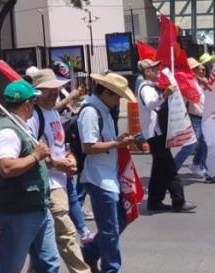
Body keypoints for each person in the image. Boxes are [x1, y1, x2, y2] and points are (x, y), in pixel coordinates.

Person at [0, 79, 59, 273]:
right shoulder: (8, 131)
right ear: (27, 103)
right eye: (33, 101)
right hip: (18, 211)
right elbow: (6, 167)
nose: (35, 106)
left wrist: (44, 158)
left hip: (37, 207)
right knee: (9, 267)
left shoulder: (21, 126)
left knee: (48, 263)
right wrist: (36, 156)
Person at [27, 70, 89, 273]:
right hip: (50, 184)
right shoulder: (33, 117)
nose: (54, 93)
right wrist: (56, 164)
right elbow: (32, 154)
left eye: (56, 89)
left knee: (43, 243)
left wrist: (69, 159)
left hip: (62, 181)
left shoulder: (52, 112)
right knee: (66, 234)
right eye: (48, 90)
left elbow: (58, 145)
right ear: (37, 91)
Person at [80, 73, 140, 273]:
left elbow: (104, 141)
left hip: (109, 174)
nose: (118, 101)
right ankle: (110, 268)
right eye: (117, 96)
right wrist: (117, 143)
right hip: (99, 178)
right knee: (110, 229)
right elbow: (88, 146)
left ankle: (90, 252)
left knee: (120, 221)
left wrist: (119, 140)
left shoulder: (103, 109)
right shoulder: (90, 111)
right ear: (106, 92)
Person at [136, 59, 191, 207]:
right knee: (169, 168)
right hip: (155, 133)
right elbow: (150, 104)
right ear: (147, 71)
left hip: (158, 131)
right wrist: (164, 95)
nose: (157, 71)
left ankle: (154, 201)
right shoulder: (146, 88)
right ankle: (179, 201)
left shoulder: (152, 86)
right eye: (154, 69)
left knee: (159, 169)